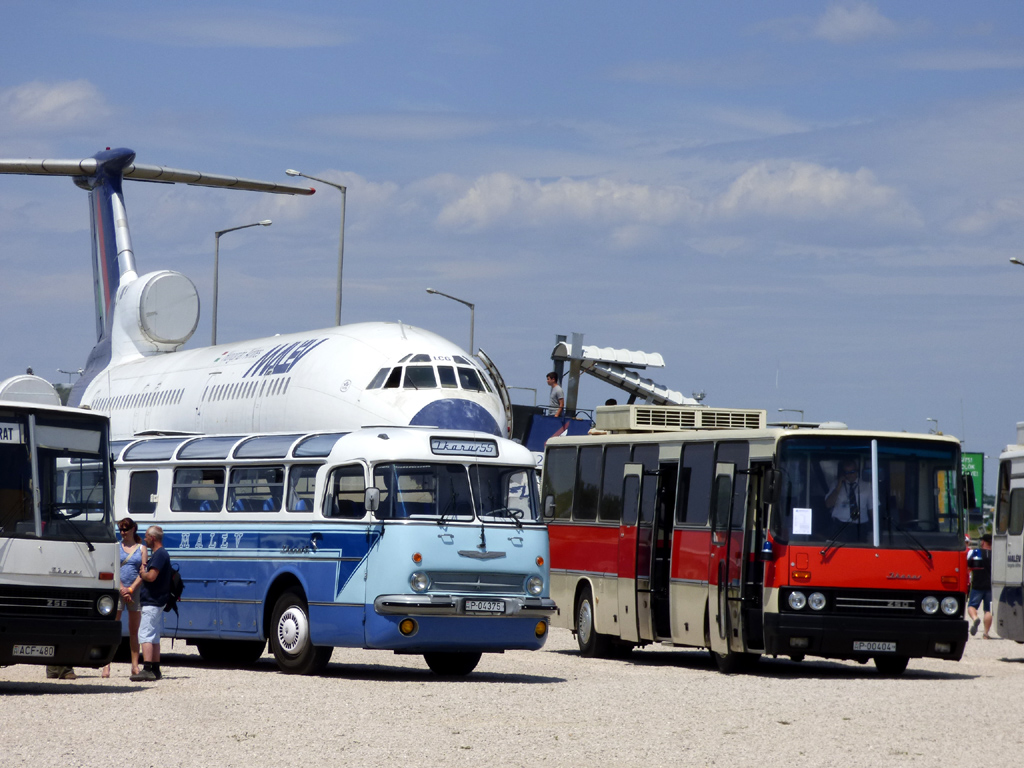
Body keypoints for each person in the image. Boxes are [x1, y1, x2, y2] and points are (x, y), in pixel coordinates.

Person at [102, 517, 147, 678]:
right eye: (121, 529)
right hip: (118, 590)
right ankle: (106, 665)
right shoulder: (117, 547)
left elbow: (143, 572)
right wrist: (122, 588)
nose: (123, 533)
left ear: (133, 529)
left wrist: (131, 589)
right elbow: (113, 568)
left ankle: (135, 666)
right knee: (113, 629)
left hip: (134, 591)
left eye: (125, 529)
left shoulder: (142, 548)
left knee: (134, 632)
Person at [130, 525, 172, 682]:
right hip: (157, 601)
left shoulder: (159, 555)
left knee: (145, 634)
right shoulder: (161, 554)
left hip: (152, 600)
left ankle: (147, 668)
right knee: (154, 635)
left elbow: (152, 576)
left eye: (147, 536)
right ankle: (155, 668)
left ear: (153, 538)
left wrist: (142, 573)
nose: (145, 538)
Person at [824, 460, 873, 526]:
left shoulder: (866, 486)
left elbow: (872, 509)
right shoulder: (836, 484)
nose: (850, 475)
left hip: (861, 525)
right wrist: (838, 486)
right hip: (840, 524)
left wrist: (874, 529)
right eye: (847, 472)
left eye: (852, 472)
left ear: (856, 471)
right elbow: (828, 504)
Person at [968, 533, 993, 639]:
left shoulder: (976, 552)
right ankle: (986, 634)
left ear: (983, 542)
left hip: (977, 585)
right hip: (991, 586)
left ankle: (975, 618)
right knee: (988, 610)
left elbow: (969, 566)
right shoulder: (996, 554)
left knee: (972, 606)